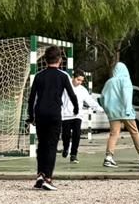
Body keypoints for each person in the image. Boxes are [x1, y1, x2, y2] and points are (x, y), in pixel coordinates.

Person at [27, 46, 77, 191]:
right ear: (60, 60)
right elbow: (71, 94)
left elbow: (31, 98)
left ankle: (40, 175)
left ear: (45, 60)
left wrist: (31, 116)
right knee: (51, 145)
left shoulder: (39, 76)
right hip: (54, 113)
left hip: (40, 112)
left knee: (41, 145)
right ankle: (48, 177)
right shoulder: (63, 76)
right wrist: (76, 108)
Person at [101, 58, 139, 168]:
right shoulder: (125, 80)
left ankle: (108, 157)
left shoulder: (109, 82)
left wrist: (107, 110)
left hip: (113, 113)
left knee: (113, 134)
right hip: (125, 112)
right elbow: (127, 96)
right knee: (134, 132)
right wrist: (128, 109)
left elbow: (102, 98)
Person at [61, 71, 94, 163]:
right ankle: (66, 147)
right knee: (66, 135)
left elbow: (90, 101)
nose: (79, 82)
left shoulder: (83, 90)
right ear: (73, 77)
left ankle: (73, 155)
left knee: (77, 134)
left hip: (77, 115)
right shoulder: (64, 88)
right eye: (78, 79)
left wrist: (100, 108)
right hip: (65, 115)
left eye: (81, 81)